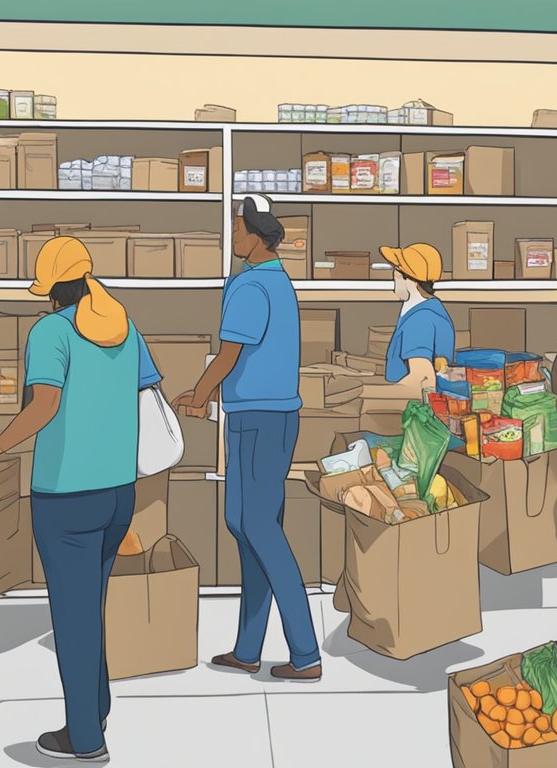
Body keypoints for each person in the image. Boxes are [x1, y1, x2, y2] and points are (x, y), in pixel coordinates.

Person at [0, 236, 161, 763]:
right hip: (118, 493)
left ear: (51, 292)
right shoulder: (124, 327)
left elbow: (43, 406)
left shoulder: (51, 332)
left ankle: (85, 740)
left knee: (73, 618)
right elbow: (143, 389)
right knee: (90, 610)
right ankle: (98, 708)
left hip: (66, 496)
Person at [176, 193, 321, 682]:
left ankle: (305, 653)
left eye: (238, 230)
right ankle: (248, 648)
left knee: (259, 527)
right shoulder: (276, 282)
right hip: (261, 416)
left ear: (258, 235)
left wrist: (198, 395)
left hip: (261, 419)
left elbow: (229, 354)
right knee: (245, 524)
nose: (233, 237)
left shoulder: (250, 287)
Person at [358, 243, 454, 400]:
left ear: (409, 280)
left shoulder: (420, 320)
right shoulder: (430, 310)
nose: (394, 280)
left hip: (411, 409)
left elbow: (422, 382)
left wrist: (357, 393)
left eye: (396, 273)